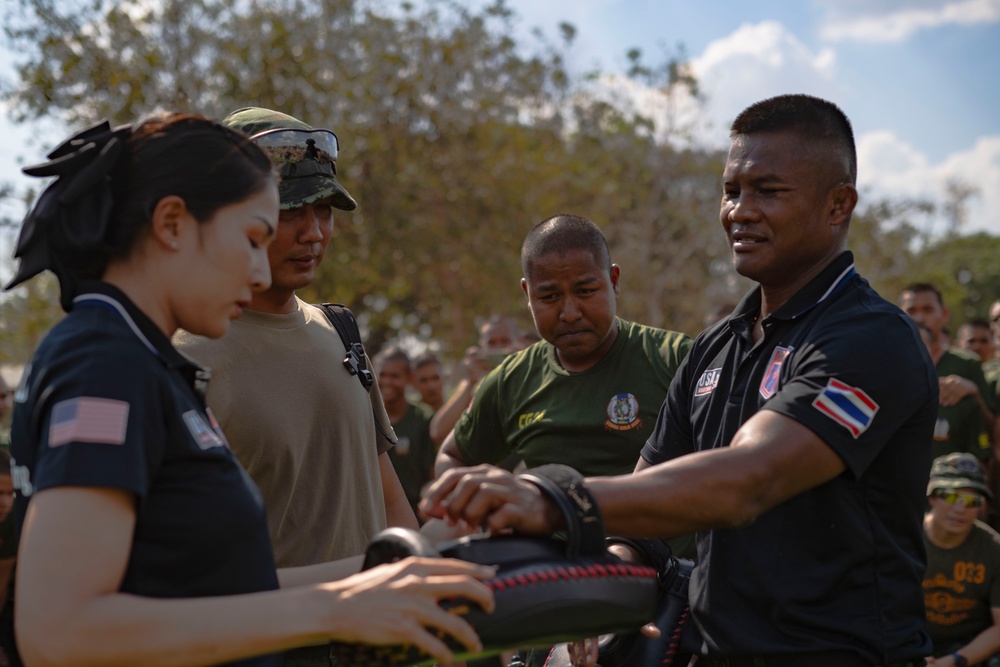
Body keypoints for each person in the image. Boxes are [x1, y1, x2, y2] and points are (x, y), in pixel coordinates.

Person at [424, 94, 939, 667]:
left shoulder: (873, 339)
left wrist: (552, 500)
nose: (740, 210)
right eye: (731, 190)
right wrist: (596, 588)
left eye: (768, 191)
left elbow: (748, 481)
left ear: (839, 204)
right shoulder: (714, 347)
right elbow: (647, 515)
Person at [2, 114, 493, 666]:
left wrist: (413, 564)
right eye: (253, 238)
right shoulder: (103, 364)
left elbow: (213, 593)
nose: (261, 272)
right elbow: (59, 632)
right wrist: (333, 610)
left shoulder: (142, 360)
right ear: (172, 224)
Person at [175, 108, 418, 574]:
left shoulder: (340, 334)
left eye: (323, 210)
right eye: (289, 211)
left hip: (381, 637)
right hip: (272, 641)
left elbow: (390, 505)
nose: (314, 234)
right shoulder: (186, 360)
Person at [434, 214, 692, 485]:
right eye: (549, 297)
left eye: (585, 291)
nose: (569, 313)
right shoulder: (510, 381)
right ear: (528, 296)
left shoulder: (677, 359)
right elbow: (453, 457)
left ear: (614, 281)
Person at [901, 284, 997, 461]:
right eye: (911, 310)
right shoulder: (886, 362)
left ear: (944, 314)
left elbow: (992, 433)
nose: (920, 317)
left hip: (953, 481)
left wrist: (974, 392)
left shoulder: (967, 363)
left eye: (928, 309)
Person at [923, 453, 1000, 667]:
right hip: (909, 641)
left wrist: (949, 663)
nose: (960, 508)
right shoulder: (902, 541)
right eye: (950, 496)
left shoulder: (994, 550)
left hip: (968, 648)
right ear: (932, 496)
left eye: (972, 501)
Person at [429, 315, 522, 447]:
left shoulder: (528, 373)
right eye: (491, 343)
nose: (498, 348)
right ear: (481, 347)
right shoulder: (471, 385)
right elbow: (437, 432)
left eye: (505, 341)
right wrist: (470, 383)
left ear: (518, 344)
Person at [374, 346, 436, 519]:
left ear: (410, 378)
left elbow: (433, 475)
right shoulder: (366, 417)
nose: (387, 382)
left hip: (414, 516)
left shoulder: (423, 418)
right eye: (382, 375)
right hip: (375, 515)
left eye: (395, 376)